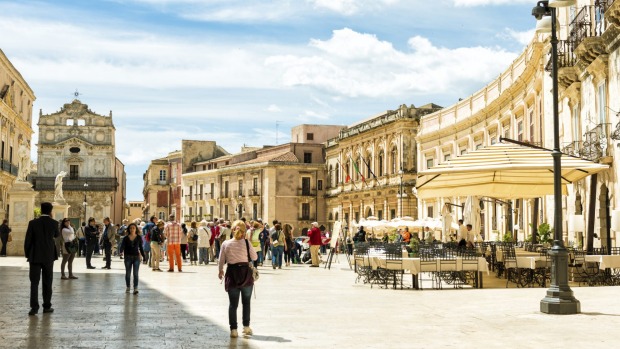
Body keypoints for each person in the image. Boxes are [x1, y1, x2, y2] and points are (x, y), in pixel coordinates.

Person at [218, 220, 258, 338]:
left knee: (233, 304)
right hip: (245, 274)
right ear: (244, 231)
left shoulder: (226, 243)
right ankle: (246, 327)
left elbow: (221, 260)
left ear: (232, 230)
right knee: (246, 303)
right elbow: (255, 257)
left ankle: (233, 330)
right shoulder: (246, 243)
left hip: (232, 273)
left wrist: (220, 271)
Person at [24, 202, 59, 316]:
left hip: (35, 256)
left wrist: (28, 254)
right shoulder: (54, 223)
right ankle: (47, 306)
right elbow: (56, 235)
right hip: (48, 256)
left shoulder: (33, 223)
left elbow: (28, 240)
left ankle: (34, 308)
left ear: (41, 210)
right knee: (47, 281)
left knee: (34, 282)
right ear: (50, 211)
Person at [120, 223, 144, 294]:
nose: (132, 229)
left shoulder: (139, 237)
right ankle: (128, 287)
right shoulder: (125, 238)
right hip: (128, 257)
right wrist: (121, 251)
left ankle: (135, 288)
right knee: (128, 273)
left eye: (133, 228)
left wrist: (144, 256)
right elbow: (122, 246)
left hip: (136, 257)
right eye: (130, 228)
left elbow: (141, 247)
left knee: (135, 273)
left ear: (136, 229)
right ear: (129, 229)